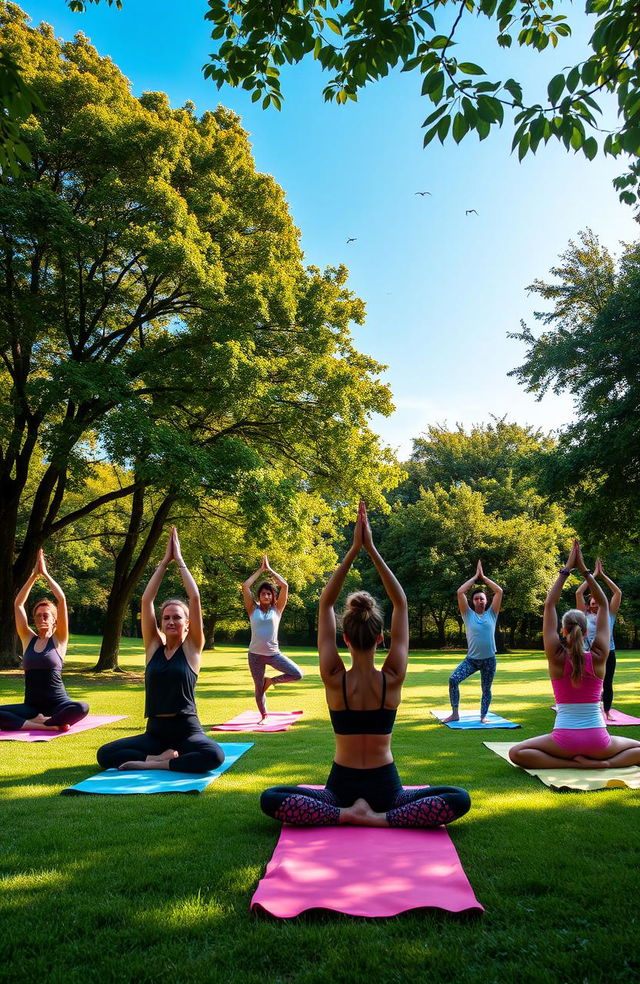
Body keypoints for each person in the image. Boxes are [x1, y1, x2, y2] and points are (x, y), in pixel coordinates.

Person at [260, 502, 470, 827]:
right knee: (459, 798)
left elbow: (326, 602)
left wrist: (353, 550)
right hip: (386, 788)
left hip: (339, 787)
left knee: (271, 798)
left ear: (345, 639)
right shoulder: (392, 678)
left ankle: (344, 815)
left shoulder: (333, 678)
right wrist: (370, 549)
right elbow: (400, 602)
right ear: (380, 639)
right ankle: (383, 819)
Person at [97, 528, 224, 773]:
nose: (170, 621)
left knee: (213, 756)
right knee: (105, 754)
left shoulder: (192, 648)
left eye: (177, 617)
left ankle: (161, 763)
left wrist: (179, 561)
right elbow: (146, 600)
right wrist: (163, 563)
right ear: (161, 622)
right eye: (166, 617)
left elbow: (194, 597)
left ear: (187, 623)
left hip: (187, 730)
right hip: (155, 732)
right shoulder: (153, 647)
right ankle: (159, 757)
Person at [509, 540, 640, 769]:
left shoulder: (556, 657)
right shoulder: (600, 655)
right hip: (598, 741)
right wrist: (586, 572)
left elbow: (550, 604)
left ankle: (569, 762)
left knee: (517, 752)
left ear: (563, 630)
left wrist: (566, 570)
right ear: (587, 630)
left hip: (563, 741)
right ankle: (606, 763)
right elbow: (603, 603)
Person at [0, 549, 89, 732]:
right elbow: (18, 604)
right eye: (38, 615)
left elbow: (61, 599)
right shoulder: (28, 639)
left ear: (54, 619)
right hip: (31, 708)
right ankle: (43, 724)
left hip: (58, 704)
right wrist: (33, 576)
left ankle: (43, 722)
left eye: (46, 615)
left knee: (82, 707)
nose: (42, 618)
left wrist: (45, 574)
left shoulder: (59, 639)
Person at [242, 554, 303, 719]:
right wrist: (260, 570)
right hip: (255, 655)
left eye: (269, 594)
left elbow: (285, 585)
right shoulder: (252, 609)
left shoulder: (277, 609)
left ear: (272, 596)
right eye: (263, 594)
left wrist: (269, 570)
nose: (266, 596)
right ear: (259, 596)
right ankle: (264, 715)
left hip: (274, 654)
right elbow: (245, 586)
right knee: (258, 687)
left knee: (297, 674)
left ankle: (271, 681)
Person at [443, 560, 503, 724]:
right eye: (476, 599)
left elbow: (499, 591)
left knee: (486, 689)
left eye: (482, 599)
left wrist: (484, 578)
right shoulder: (467, 614)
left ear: (486, 601)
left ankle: (483, 716)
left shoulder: (492, 613)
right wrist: (475, 577)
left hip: (489, 660)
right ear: (472, 602)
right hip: (472, 660)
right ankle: (455, 713)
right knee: (453, 679)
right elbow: (460, 591)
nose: (479, 601)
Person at [576, 558, 622, 721]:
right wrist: (592, 576)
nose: (595, 606)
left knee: (607, 683)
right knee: (587, 682)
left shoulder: (609, 614)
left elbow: (617, 593)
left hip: (608, 653)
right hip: (589, 653)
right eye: (593, 603)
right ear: (589, 605)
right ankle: (585, 709)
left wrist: (602, 575)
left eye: (598, 603)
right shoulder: (585, 615)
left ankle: (607, 712)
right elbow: (578, 593)